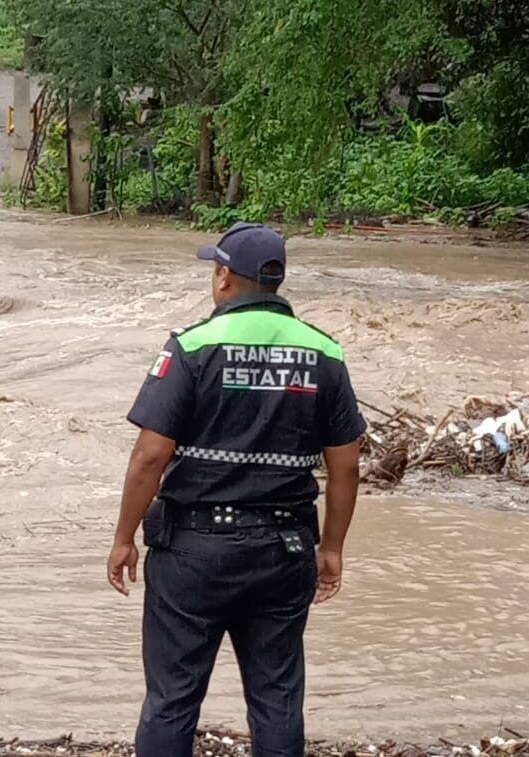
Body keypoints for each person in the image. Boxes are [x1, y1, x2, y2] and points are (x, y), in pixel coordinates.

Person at [107, 222, 365, 757]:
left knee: (172, 699)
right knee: (276, 698)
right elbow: (345, 467)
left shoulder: (192, 346)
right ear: (276, 281)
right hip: (285, 550)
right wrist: (332, 548)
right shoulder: (325, 353)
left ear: (224, 276)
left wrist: (123, 537)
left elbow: (149, 457)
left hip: (192, 554)